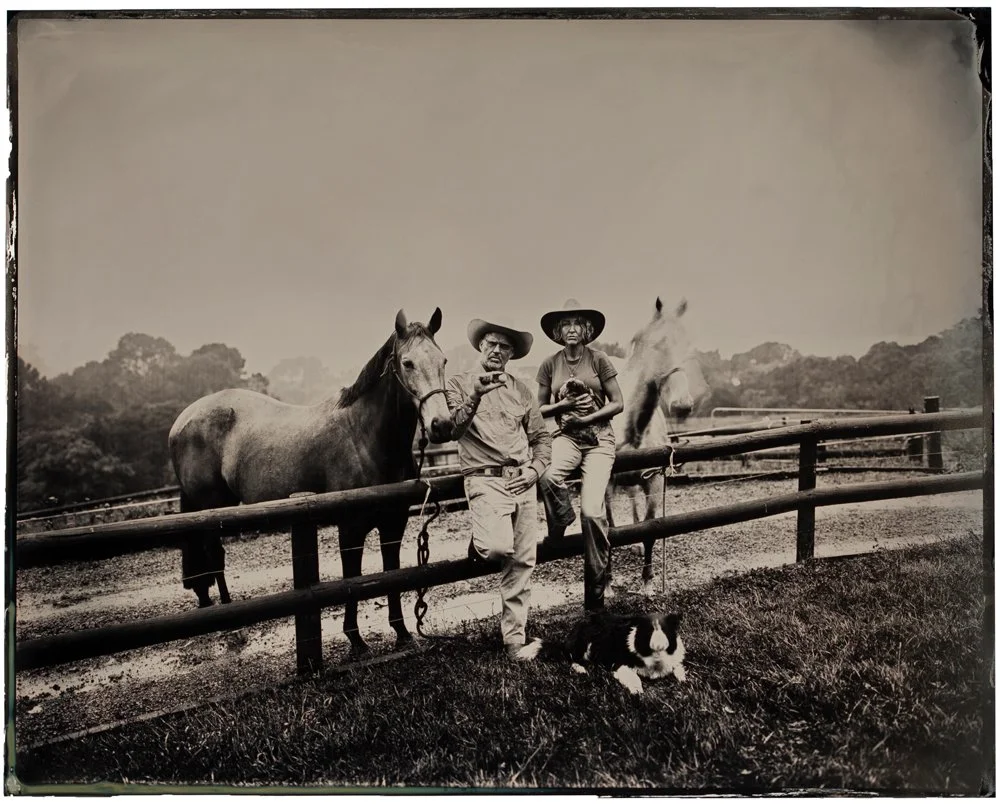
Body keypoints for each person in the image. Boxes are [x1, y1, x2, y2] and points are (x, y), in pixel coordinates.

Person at [446, 316, 552, 660]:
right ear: (480, 346)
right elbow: (452, 431)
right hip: (484, 478)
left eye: (504, 346)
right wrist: (475, 395)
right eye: (491, 343)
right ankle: (482, 539)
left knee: (522, 562)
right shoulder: (460, 383)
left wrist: (535, 470)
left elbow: (541, 439)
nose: (496, 350)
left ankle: (514, 641)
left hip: (522, 479)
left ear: (511, 354)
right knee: (496, 549)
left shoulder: (521, 390)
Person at [536, 299, 624, 612]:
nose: (571, 329)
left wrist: (586, 419)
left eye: (577, 323)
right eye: (566, 324)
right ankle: (560, 523)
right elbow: (538, 409)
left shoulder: (598, 359)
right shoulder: (549, 364)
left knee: (592, 512)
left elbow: (618, 403)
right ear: (558, 332)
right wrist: (562, 410)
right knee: (547, 474)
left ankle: (595, 596)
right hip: (566, 438)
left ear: (585, 329)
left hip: (599, 439)